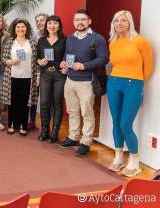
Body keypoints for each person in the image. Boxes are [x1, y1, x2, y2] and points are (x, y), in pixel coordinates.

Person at [106, 10, 153, 177]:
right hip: (113, 83)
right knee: (116, 122)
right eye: (116, 20)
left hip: (133, 85)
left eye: (123, 20)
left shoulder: (140, 41)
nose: (119, 23)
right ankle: (119, 157)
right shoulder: (113, 42)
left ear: (129, 23)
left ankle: (134, 161)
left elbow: (148, 67)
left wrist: (138, 84)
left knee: (126, 125)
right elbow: (112, 63)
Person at [58, 9, 108, 157]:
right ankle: (73, 137)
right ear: (74, 22)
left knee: (87, 113)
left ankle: (85, 142)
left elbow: (104, 59)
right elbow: (68, 55)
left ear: (89, 21)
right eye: (77, 20)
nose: (80, 22)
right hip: (70, 80)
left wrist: (84, 66)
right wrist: (64, 64)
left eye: (83, 19)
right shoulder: (70, 38)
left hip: (86, 82)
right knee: (72, 111)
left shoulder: (97, 38)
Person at [1, 18, 39, 136]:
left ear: (26, 28)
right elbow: (3, 59)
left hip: (28, 77)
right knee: (12, 102)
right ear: (14, 29)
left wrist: (37, 76)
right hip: (12, 76)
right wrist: (10, 62)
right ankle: (12, 125)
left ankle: (23, 125)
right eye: (18, 27)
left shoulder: (32, 42)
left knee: (24, 102)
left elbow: (36, 60)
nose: (20, 29)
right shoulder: (10, 42)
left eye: (23, 27)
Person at [36, 15, 66, 143]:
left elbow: (68, 56)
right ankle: (44, 130)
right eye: (50, 23)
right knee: (44, 103)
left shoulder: (65, 40)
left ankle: (55, 131)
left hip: (59, 75)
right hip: (45, 74)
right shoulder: (41, 40)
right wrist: (40, 62)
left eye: (55, 23)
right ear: (46, 26)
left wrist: (65, 64)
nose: (52, 26)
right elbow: (37, 57)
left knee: (58, 103)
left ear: (59, 26)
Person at [28, 12, 49, 130]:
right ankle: (32, 121)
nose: (39, 23)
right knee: (34, 97)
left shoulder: (53, 35)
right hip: (35, 71)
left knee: (46, 100)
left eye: (42, 20)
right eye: (37, 21)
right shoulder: (33, 37)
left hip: (49, 72)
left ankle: (46, 125)